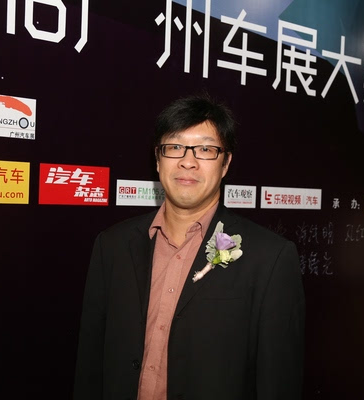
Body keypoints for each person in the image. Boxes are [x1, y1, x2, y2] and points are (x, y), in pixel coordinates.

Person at [73, 94, 305, 400]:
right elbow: (90, 366)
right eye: (174, 147)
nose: (188, 161)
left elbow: (278, 383)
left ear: (226, 163)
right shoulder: (112, 245)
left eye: (206, 149)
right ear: (158, 159)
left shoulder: (270, 258)